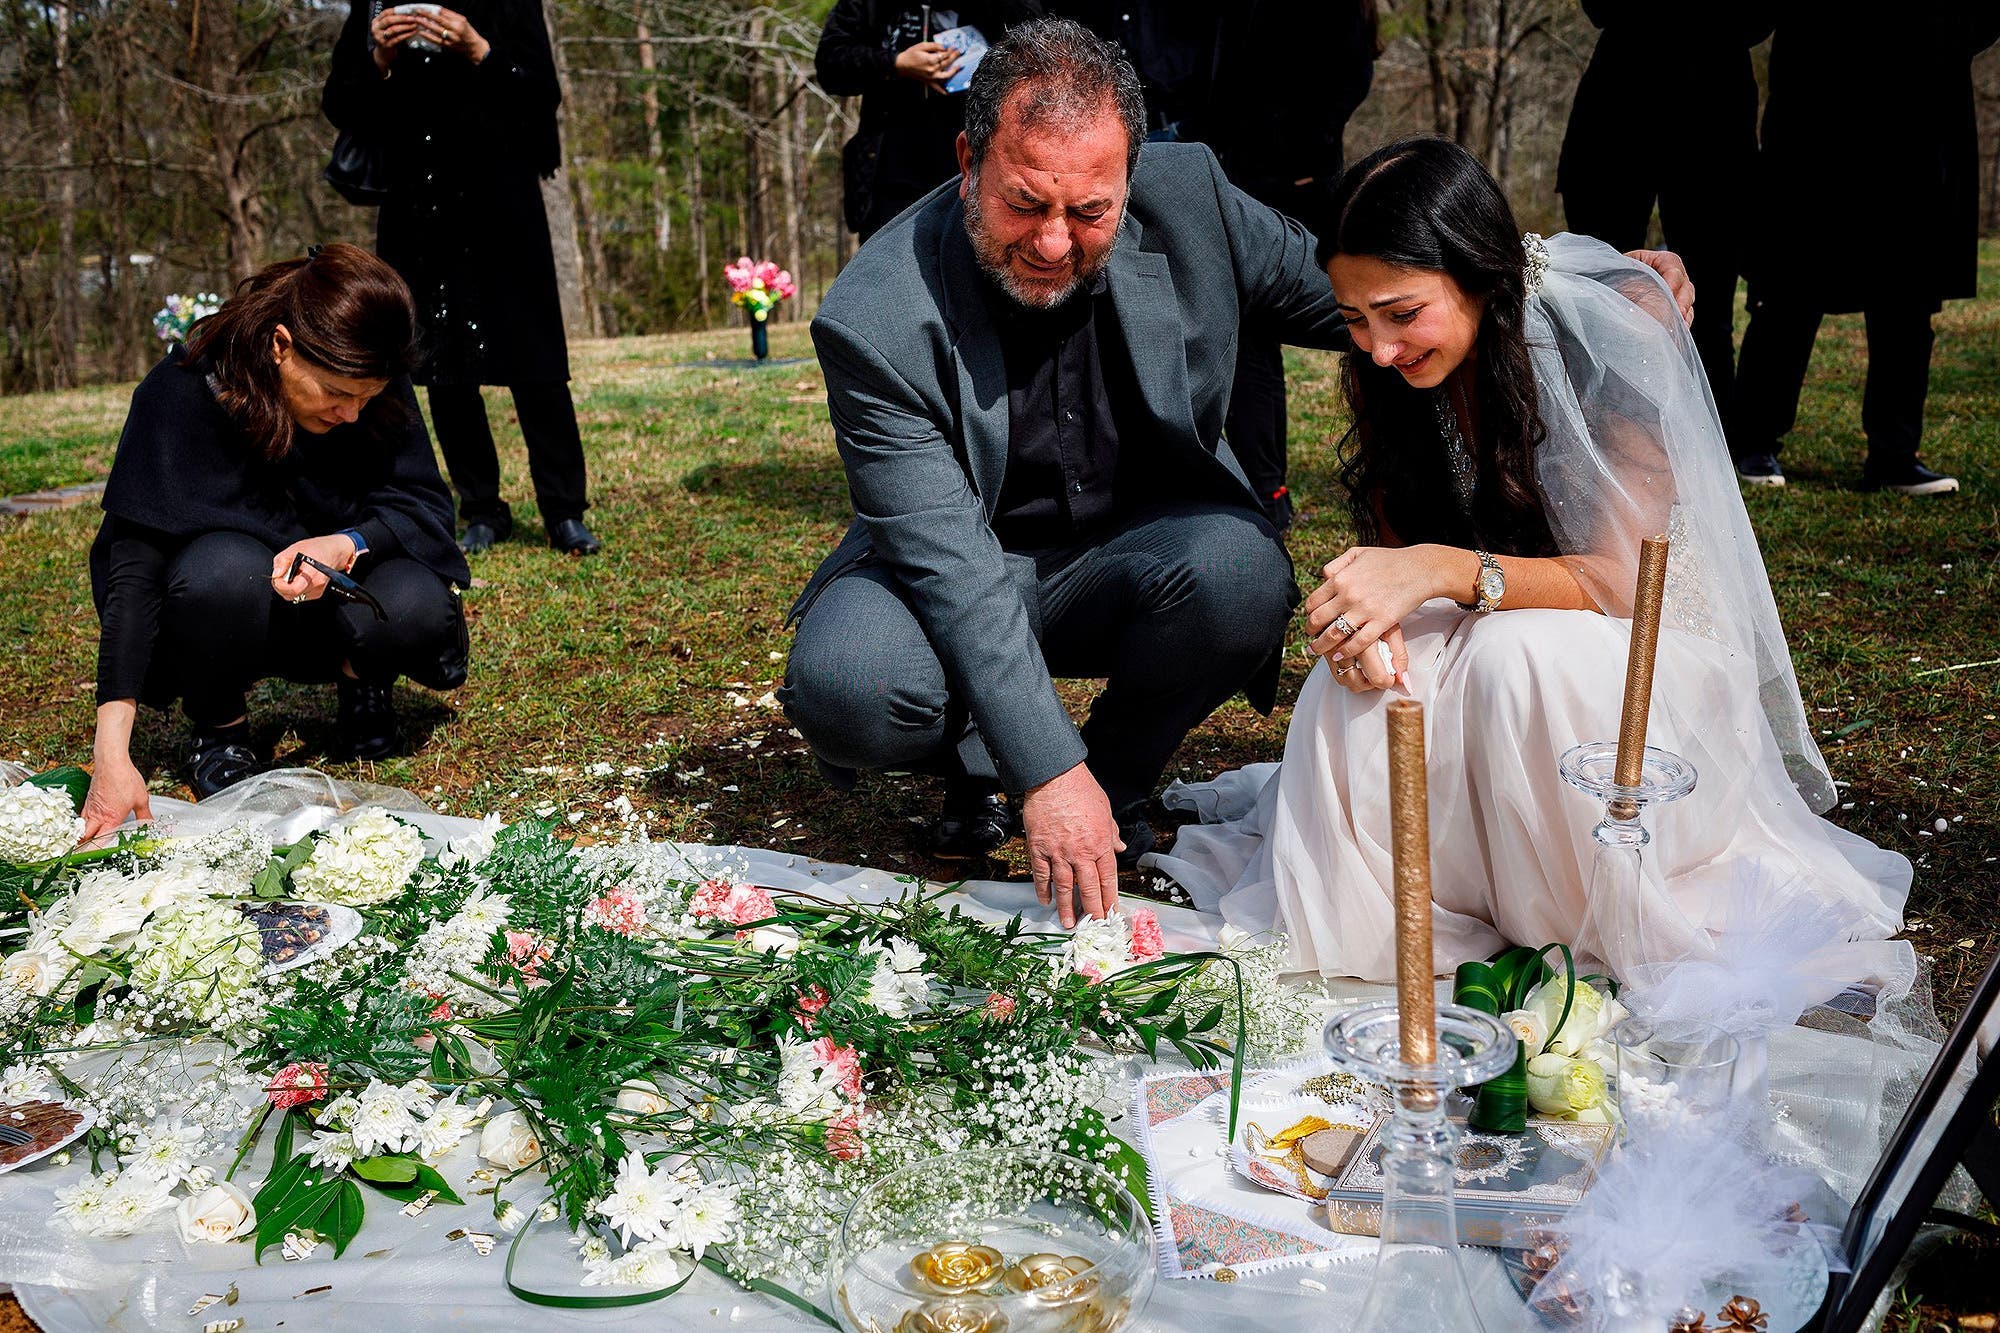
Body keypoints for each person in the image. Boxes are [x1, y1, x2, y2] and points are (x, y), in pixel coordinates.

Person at [779, 23, 1694, 929]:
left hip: (1140, 558)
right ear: (968, 158)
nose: (1055, 243)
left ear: (1132, 176)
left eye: (1090, 212)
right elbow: (952, 569)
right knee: (849, 681)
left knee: (1240, 573)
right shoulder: (874, 316)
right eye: (1025, 203)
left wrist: (1597, 287)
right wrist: (1045, 775)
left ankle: (1117, 781)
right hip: (951, 568)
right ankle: (999, 768)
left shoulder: (1193, 199)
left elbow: (1377, 282)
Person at [1150, 139, 1912, 995]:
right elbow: (1415, 568)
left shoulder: (1598, 347)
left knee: (1517, 661)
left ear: (1477, 275)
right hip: (1499, 640)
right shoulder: (1400, 379)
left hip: (1645, 680)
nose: (1377, 350)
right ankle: (1431, 909)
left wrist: (1442, 569)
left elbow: (1626, 582)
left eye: (1402, 314)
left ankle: (1568, 922)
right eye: (1355, 319)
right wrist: (1369, 622)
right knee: (1369, 683)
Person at [81, 245, 471, 838]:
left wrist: (349, 541)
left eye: (368, 398)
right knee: (218, 572)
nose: (351, 414)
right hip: (227, 609)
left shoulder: (367, 377)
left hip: (339, 596)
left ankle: (360, 681)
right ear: (281, 345)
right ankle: (221, 728)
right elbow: (133, 570)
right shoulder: (182, 391)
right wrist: (112, 753)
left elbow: (422, 505)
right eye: (337, 394)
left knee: (417, 602)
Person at [324, 0, 602, 555]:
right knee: (443, 367)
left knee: (536, 363)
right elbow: (340, 104)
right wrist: (378, 56)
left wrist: (478, 48)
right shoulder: (379, 0)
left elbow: (542, 94)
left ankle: (563, 509)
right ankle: (480, 506)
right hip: (418, 210)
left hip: (503, 204)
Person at [1730, 5, 2000, 493]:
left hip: (1919, 116)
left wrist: (1939, 36)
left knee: (1907, 293)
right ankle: (1753, 441)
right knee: (1792, 285)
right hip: (1819, 111)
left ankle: (1894, 455)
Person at [1203, 0, 1380, 531]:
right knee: (1250, 337)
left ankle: (1389, 472)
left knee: (1364, 328)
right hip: (1240, 179)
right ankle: (1268, 491)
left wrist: (1306, 147)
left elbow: (1355, 66)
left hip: (1304, 184)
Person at [1558, 0, 1765, 445]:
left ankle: (1714, 443)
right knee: (1593, 289)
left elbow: (1759, 20)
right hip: (1619, 103)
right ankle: (1586, 436)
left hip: (1716, 108)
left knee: (1710, 303)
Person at [817, 1, 1046, 243]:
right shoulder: (873, 6)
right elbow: (830, 62)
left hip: (976, 175)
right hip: (889, 180)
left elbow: (1040, 53)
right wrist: (895, 63)